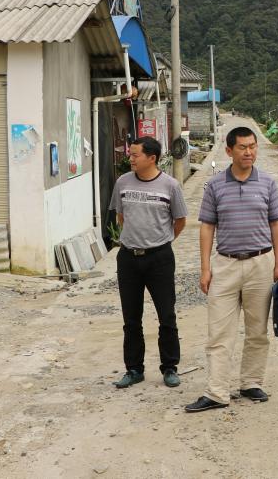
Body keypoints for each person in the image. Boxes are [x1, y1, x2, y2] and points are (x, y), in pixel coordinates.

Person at [185, 126, 278, 413]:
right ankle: (217, 392)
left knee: (257, 330)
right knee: (219, 331)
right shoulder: (215, 185)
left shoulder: (268, 183)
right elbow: (207, 227)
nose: (249, 152)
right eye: (242, 147)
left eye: (252, 146)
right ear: (229, 150)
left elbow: (277, 224)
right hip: (225, 264)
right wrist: (205, 268)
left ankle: (251, 382)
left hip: (261, 263)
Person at [109, 137, 188, 389]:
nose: (130, 159)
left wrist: (160, 241)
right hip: (128, 258)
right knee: (131, 318)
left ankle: (170, 367)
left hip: (160, 259)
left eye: (135, 155)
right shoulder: (122, 182)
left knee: (166, 315)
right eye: (130, 154)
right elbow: (121, 216)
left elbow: (180, 221)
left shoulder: (170, 186)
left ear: (152, 158)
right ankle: (134, 369)